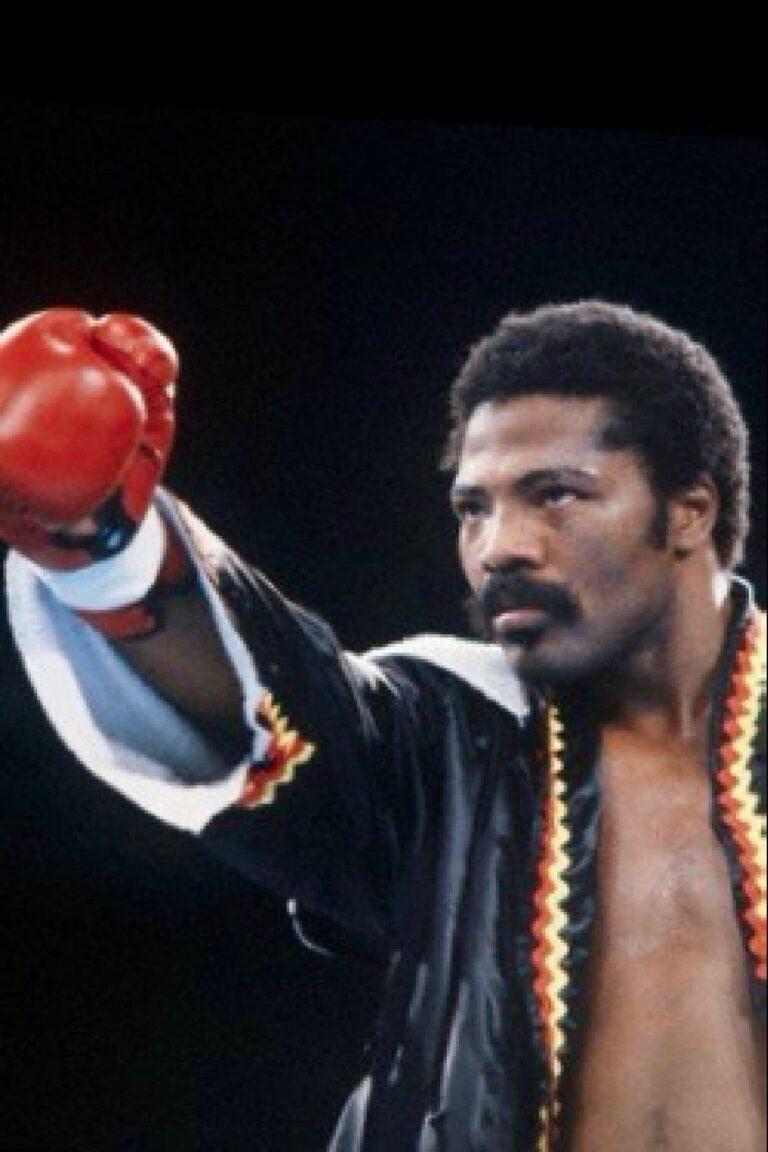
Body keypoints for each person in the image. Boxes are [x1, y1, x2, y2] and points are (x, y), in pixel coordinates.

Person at [1, 302, 764, 1150]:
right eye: (472, 509)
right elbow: (279, 703)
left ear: (690, 510)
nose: (499, 547)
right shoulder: (453, 728)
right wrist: (102, 548)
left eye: (555, 495)